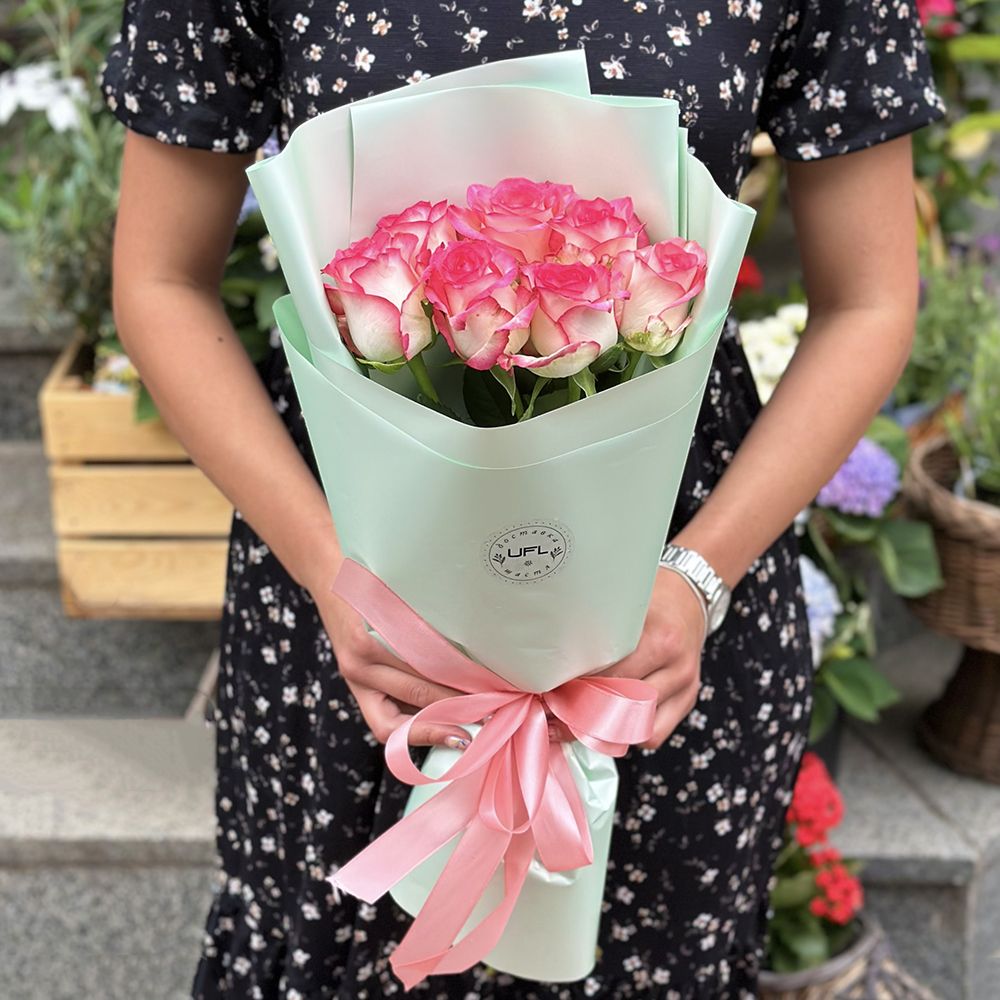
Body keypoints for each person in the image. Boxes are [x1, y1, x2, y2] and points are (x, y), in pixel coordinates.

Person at [102, 2, 944, 997]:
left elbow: (868, 300)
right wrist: (334, 572)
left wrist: (697, 576)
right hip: (350, 593)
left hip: (671, 610)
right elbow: (161, 279)